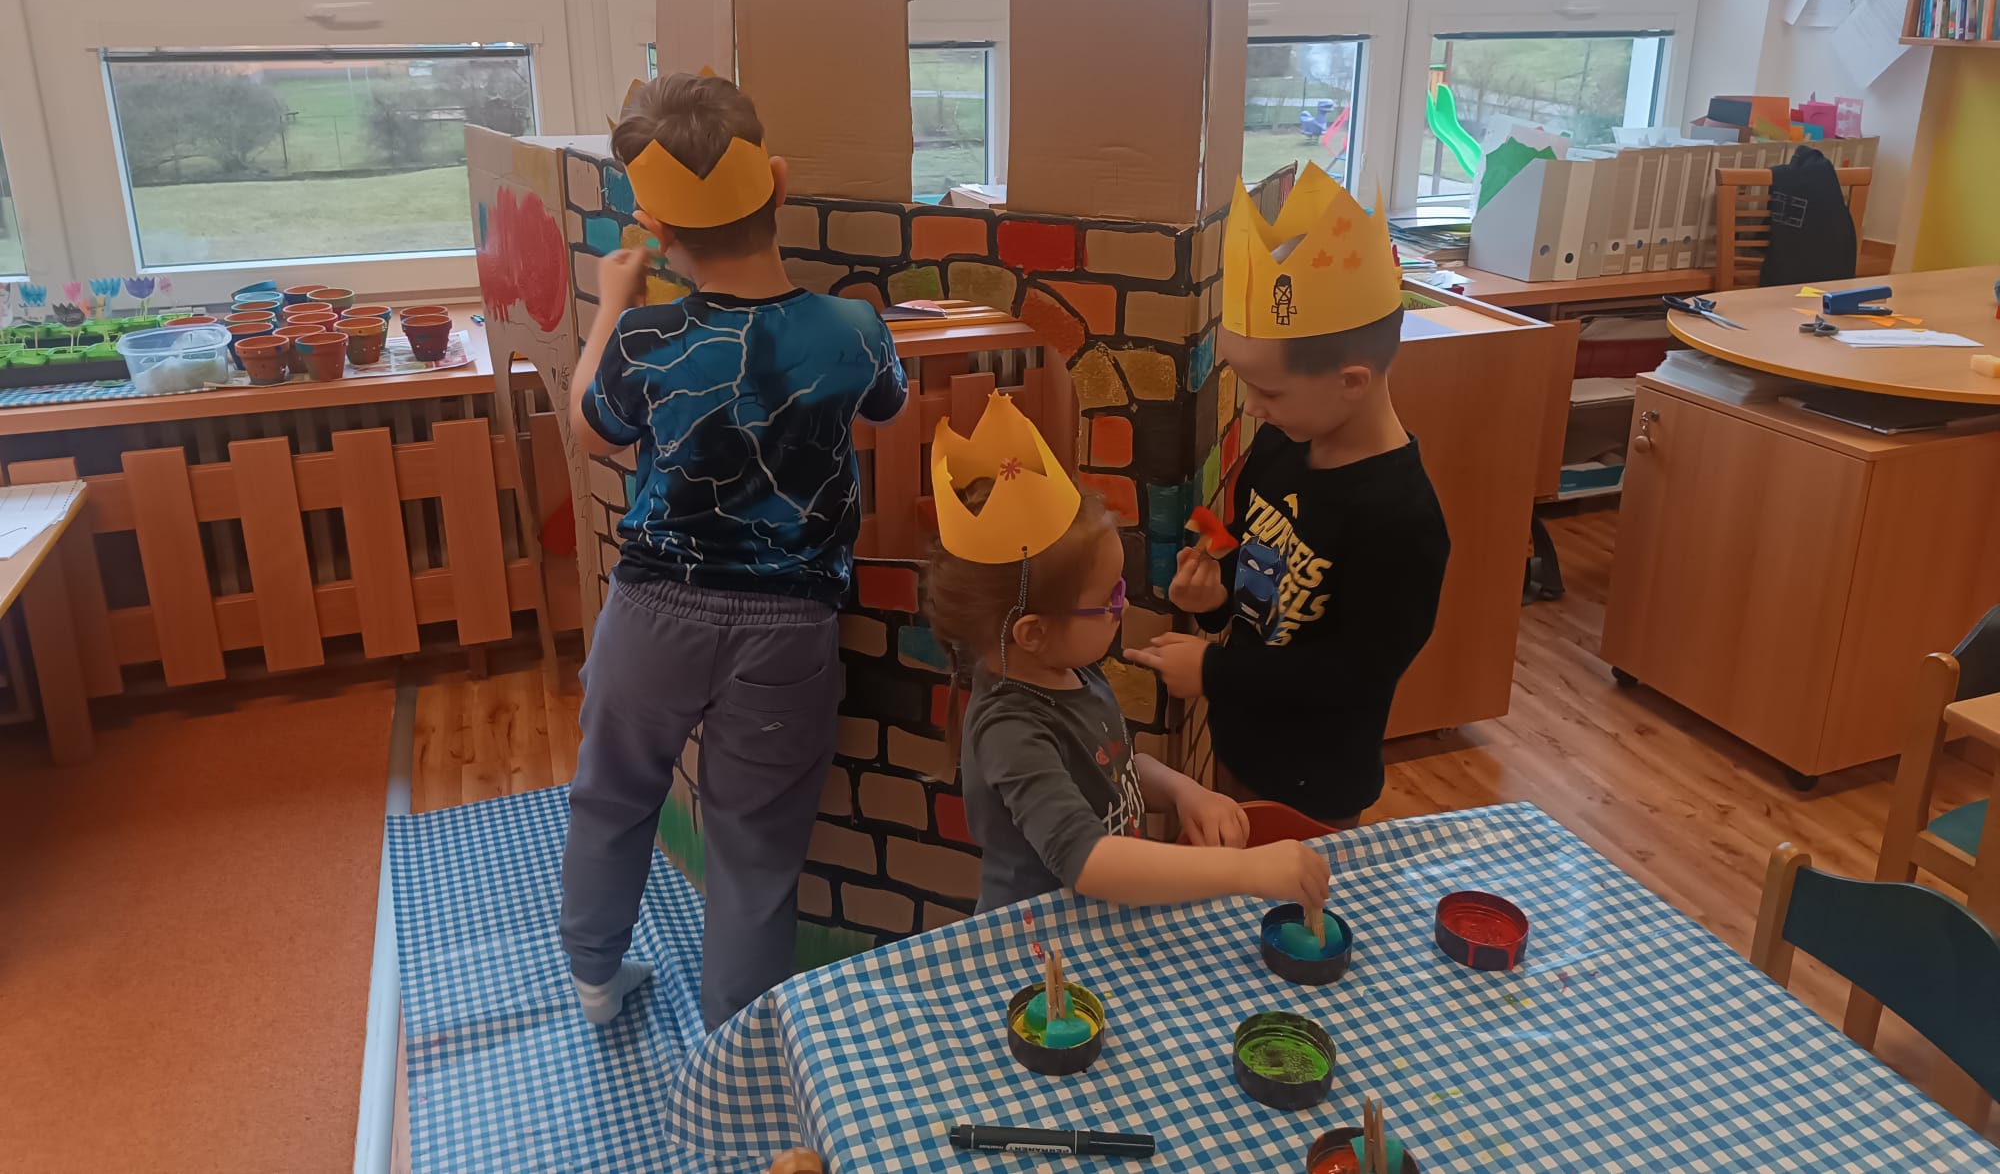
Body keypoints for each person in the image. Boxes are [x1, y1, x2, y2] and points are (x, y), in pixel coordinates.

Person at [559, 72, 907, 1030]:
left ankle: (594, 976)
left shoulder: (646, 335)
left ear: (655, 225)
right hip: (790, 624)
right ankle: (735, 1039)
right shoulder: (854, 328)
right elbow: (889, 406)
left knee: (611, 794)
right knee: (755, 847)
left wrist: (612, 303)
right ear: (778, 181)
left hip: (651, 611)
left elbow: (592, 431)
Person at [924, 391, 1331, 916]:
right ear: (1033, 633)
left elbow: (1110, 766)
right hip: (1041, 943)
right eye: (1109, 598)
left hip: (1099, 924)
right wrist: (1244, 870)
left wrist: (1183, 791)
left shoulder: (1067, 669)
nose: (1124, 605)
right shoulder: (1011, 731)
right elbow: (1088, 861)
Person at [1129, 164, 1450, 829]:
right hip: (1242, 740)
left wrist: (1215, 674)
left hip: (1316, 779)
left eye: (1268, 391)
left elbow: (1356, 677)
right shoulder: (1280, 446)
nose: (1253, 407)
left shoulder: (1402, 521)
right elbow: (1252, 566)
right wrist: (1216, 598)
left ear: (1352, 382)